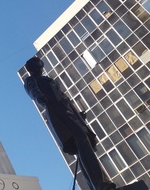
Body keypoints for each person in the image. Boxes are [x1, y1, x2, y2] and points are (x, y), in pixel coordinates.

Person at [23, 57, 116, 190]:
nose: (40, 68)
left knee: (85, 150)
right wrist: (40, 98)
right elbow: (34, 91)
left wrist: (78, 116)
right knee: (83, 148)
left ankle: (98, 184)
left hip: (71, 117)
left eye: (41, 65)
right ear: (31, 69)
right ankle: (99, 184)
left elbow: (65, 101)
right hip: (61, 117)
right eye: (37, 66)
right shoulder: (31, 80)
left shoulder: (47, 80)